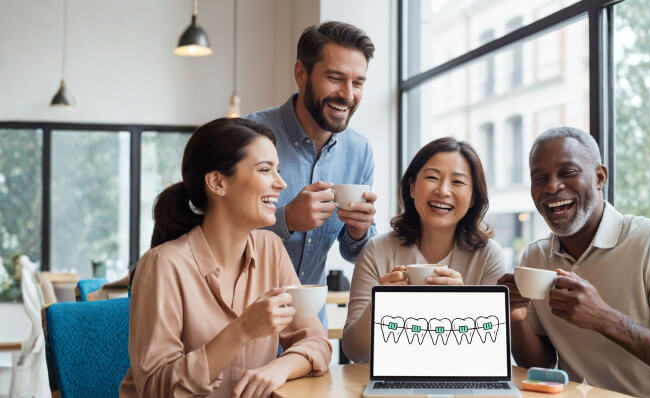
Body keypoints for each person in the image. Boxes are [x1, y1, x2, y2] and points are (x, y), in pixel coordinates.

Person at [498, 127, 650, 397]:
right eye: (539, 178)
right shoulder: (535, 258)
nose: (552, 187)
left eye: (568, 172)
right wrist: (515, 319)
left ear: (600, 177)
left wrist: (604, 319)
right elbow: (539, 365)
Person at [120, 118, 331, 398]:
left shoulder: (271, 249)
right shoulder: (164, 265)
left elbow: (316, 341)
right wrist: (242, 330)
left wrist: (279, 368)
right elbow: (156, 388)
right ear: (217, 182)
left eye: (277, 170)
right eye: (265, 170)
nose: (281, 183)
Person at [244, 22, 378, 328]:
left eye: (358, 83)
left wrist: (359, 231)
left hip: (308, 329)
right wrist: (286, 219)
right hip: (247, 325)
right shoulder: (248, 136)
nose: (347, 94)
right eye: (335, 78)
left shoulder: (360, 152)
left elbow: (354, 252)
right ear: (301, 74)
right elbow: (217, 234)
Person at [342, 137, 507, 362]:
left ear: (472, 198)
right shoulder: (376, 251)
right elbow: (354, 351)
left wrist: (464, 306)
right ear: (412, 187)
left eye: (458, 182)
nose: (443, 190)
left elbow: (489, 357)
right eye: (432, 178)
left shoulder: (488, 256)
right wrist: (380, 305)